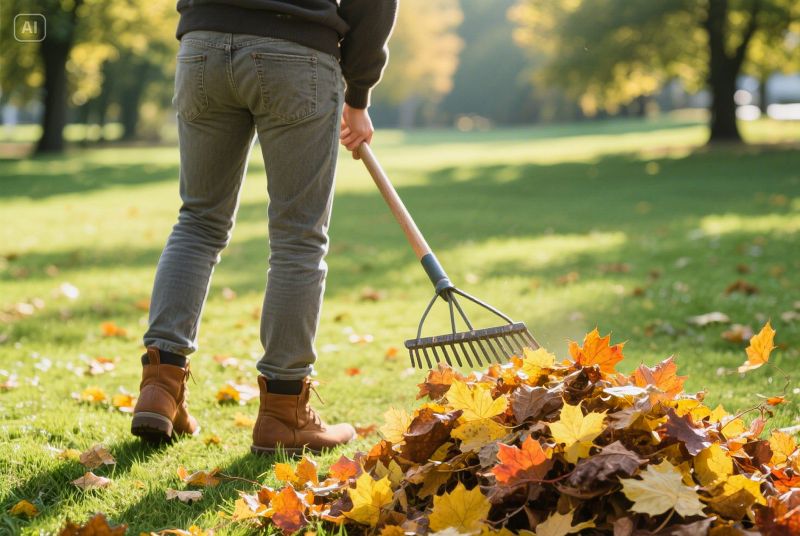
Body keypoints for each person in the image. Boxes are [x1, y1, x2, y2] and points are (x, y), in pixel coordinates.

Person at [130, 0, 397, 455]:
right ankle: (284, 413)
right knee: (299, 238)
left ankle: (161, 386)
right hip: (296, 51)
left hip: (203, 47)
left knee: (197, 221)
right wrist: (359, 93)